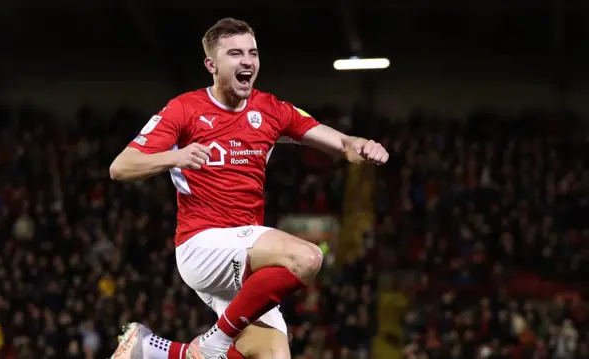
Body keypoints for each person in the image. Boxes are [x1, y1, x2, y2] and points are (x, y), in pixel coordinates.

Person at [108, 17, 389, 359]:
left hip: (243, 257)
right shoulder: (185, 109)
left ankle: (158, 352)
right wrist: (174, 157)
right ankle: (211, 345)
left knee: (272, 355)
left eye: (253, 53)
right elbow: (120, 167)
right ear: (211, 64)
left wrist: (360, 145)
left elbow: (342, 142)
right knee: (307, 257)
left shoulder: (270, 110)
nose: (247, 61)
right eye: (235, 53)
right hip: (202, 245)